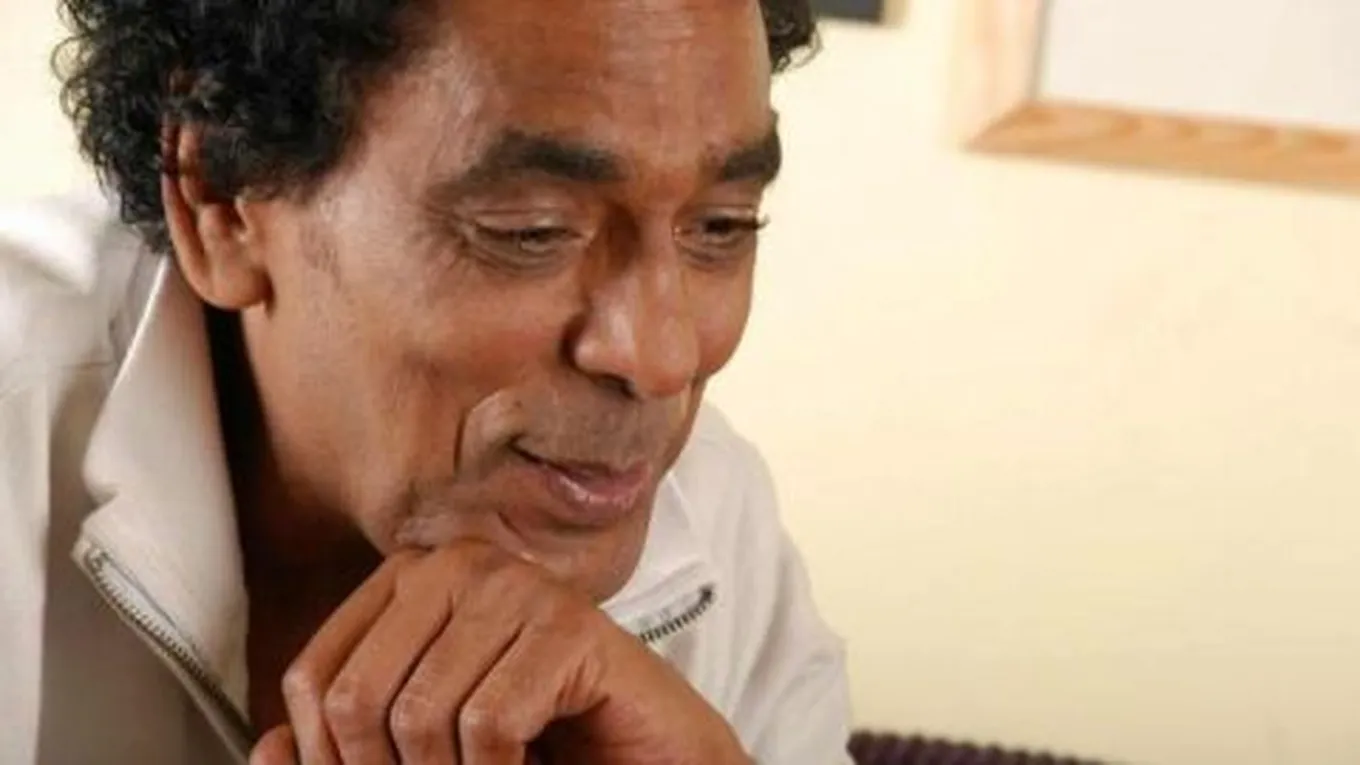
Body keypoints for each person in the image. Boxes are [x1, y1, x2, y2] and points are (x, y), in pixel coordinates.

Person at [0, 0, 851, 762]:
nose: (663, 358)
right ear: (223, 200)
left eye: (723, 226)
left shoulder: (713, 518)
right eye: (531, 231)